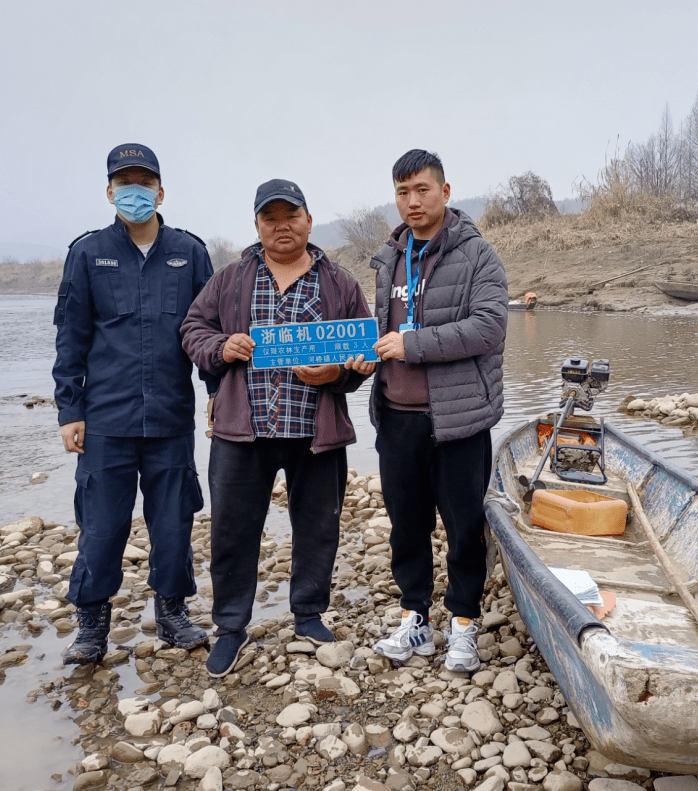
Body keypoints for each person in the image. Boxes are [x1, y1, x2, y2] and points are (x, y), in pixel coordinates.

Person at [181, 179, 376, 677]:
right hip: (242, 434)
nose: (281, 226)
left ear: (309, 221)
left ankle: (308, 615)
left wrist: (339, 372)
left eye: (291, 216)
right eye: (271, 218)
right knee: (231, 532)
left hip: (316, 431)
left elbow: (364, 348)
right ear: (257, 225)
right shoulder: (230, 279)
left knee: (317, 528)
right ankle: (230, 628)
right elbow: (192, 330)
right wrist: (221, 348)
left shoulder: (339, 283)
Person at [53, 144, 215, 664]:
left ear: (160, 191)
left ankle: (172, 614)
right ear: (108, 192)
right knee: (101, 525)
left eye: (144, 183)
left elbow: (208, 331)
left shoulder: (189, 253)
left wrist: (217, 393)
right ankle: (91, 625)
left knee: (173, 522)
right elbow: (71, 336)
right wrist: (68, 409)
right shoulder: (87, 253)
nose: (134, 192)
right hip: (105, 421)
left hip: (170, 419)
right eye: (124, 183)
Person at [369, 149, 508, 672]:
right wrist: (369, 354)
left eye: (422, 190)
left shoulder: (478, 256)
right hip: (397, 416)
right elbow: (384, 332)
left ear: (445, 192)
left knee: (463, 525)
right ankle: (415, 619)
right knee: (405, 524)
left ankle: (464, 625)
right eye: (403, 192)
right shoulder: (388, 257)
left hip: (458, 421)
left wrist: (413, 344)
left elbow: (488, 328)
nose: (412, 201)